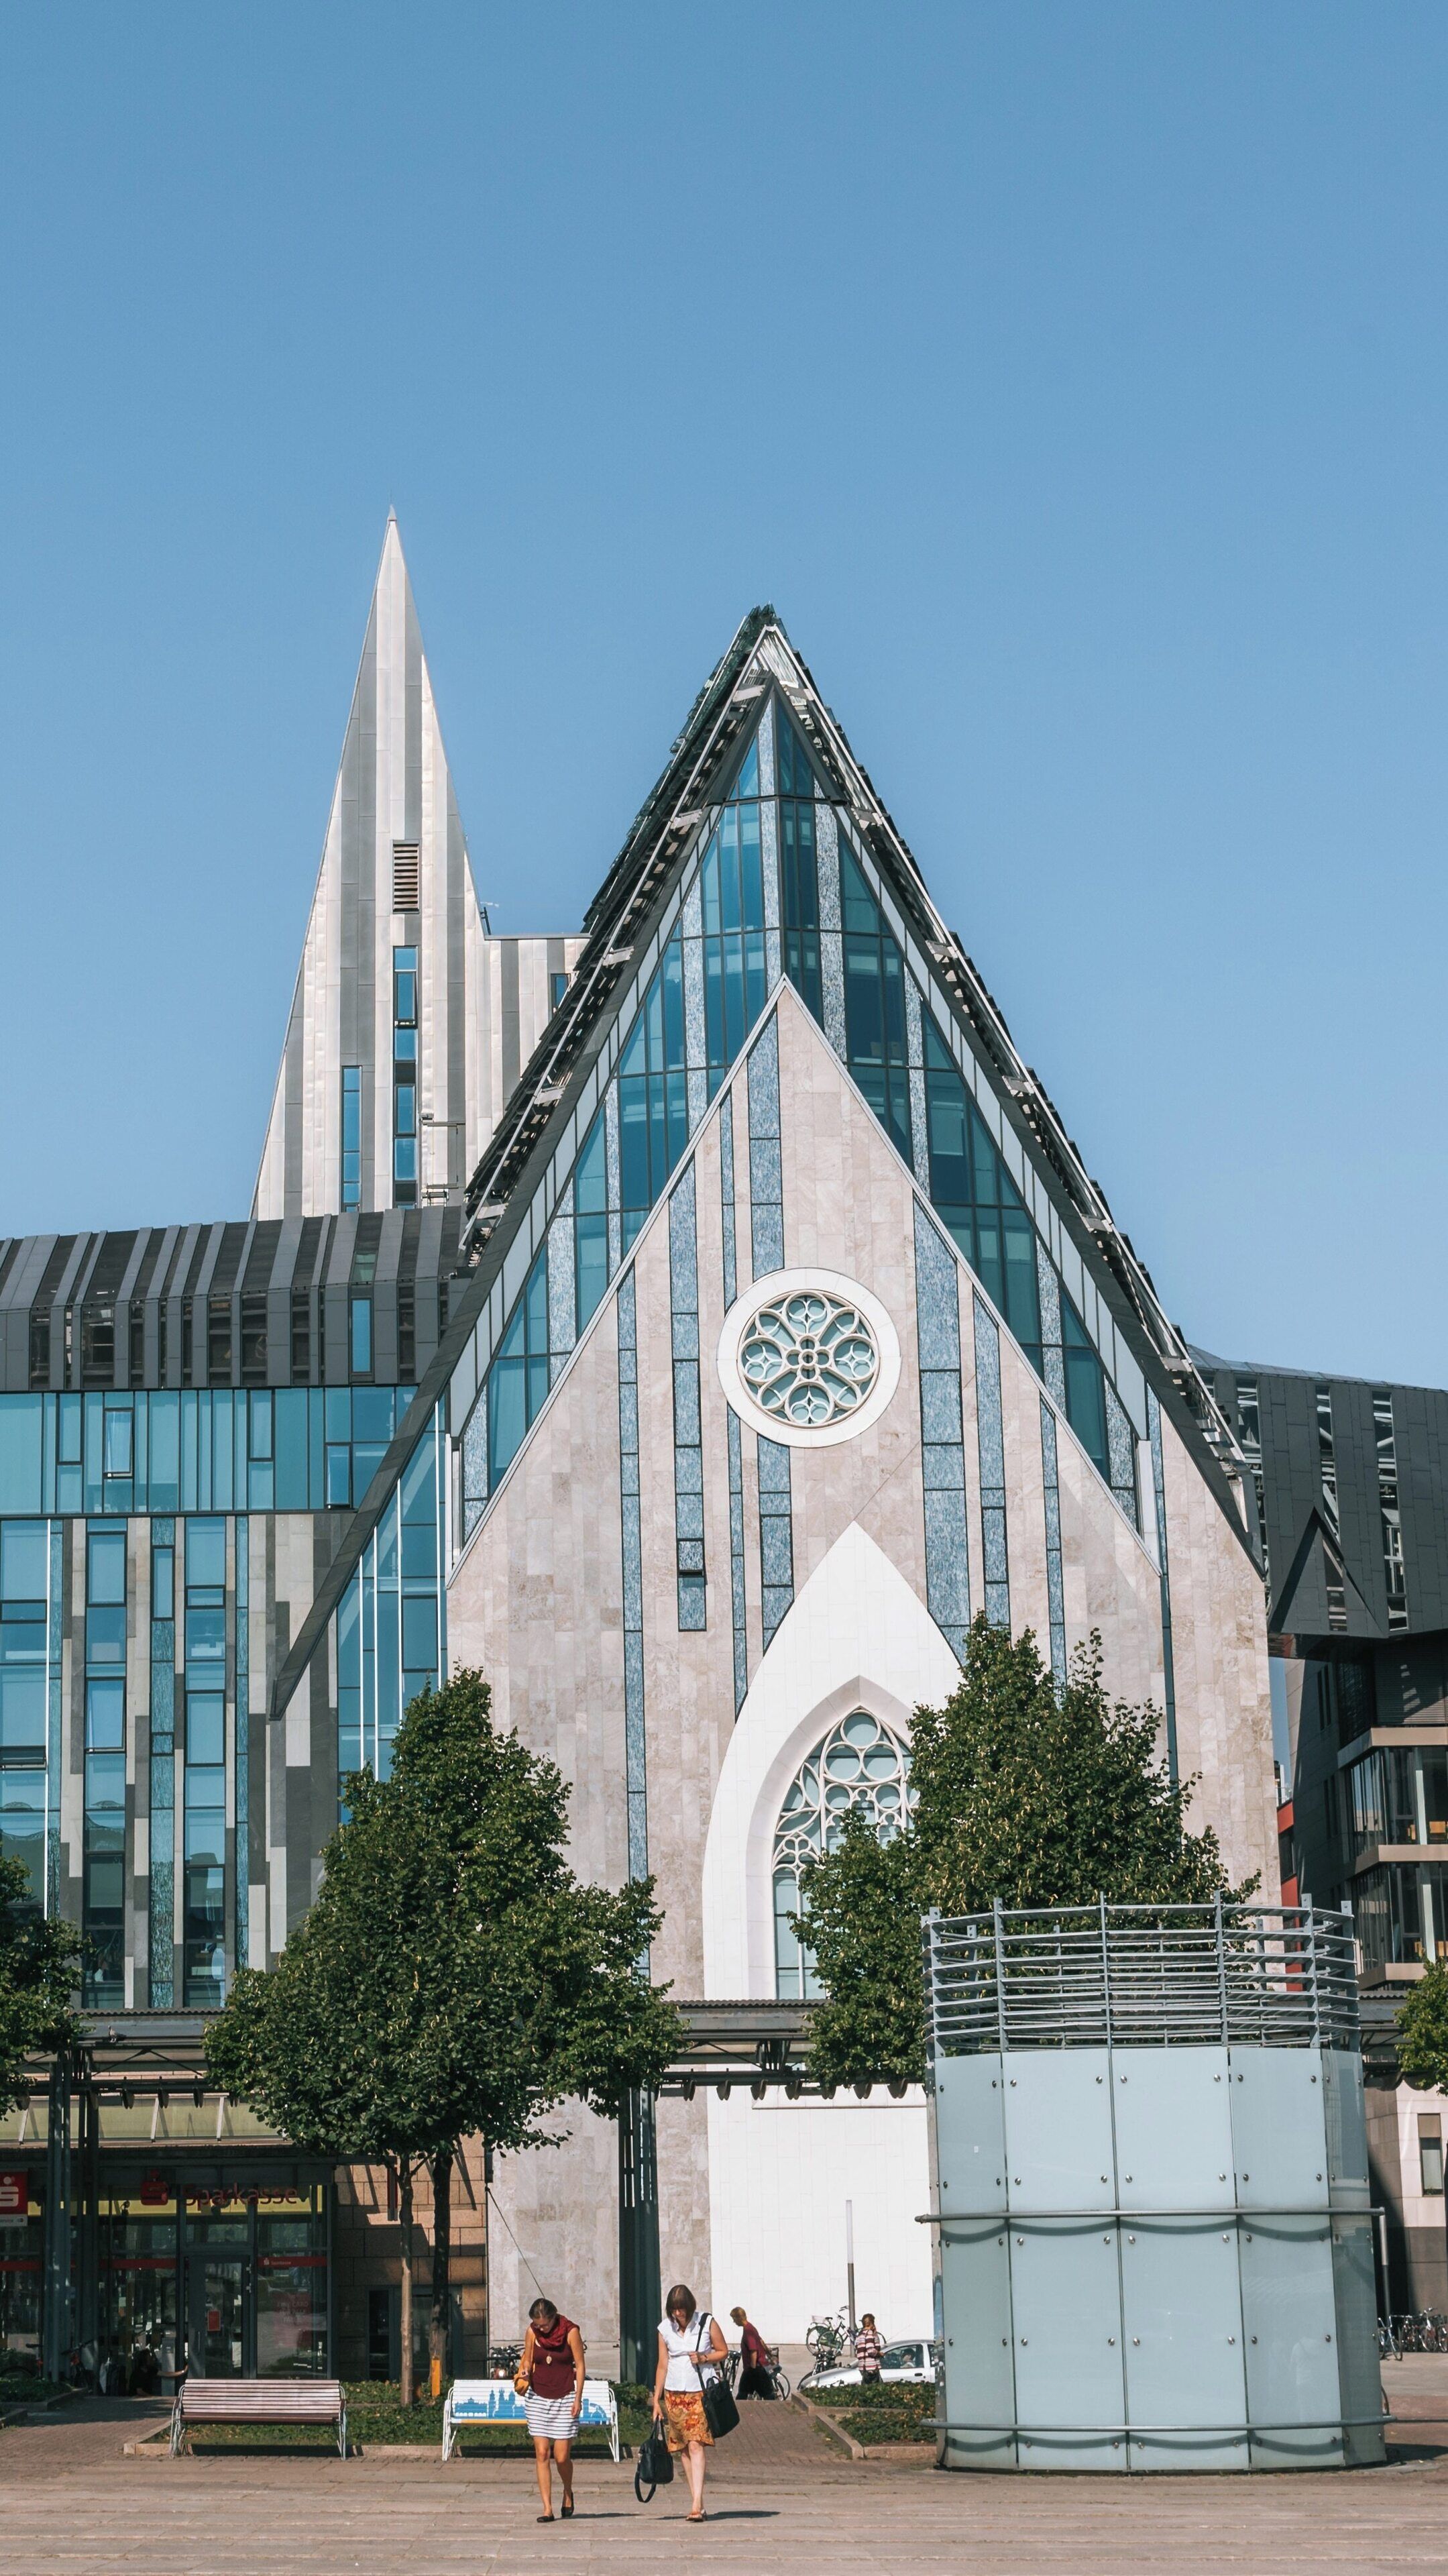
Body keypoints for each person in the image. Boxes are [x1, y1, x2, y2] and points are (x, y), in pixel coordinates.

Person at [653, 2282, 728, 2522]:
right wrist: (656, 2399)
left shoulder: (706, 2322)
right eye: (674, 2310)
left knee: (696, 2445)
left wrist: (704, 2358)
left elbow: (723, 2351)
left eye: (682, 2309)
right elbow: (662, 2364)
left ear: (690, 2306)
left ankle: (696, 2504)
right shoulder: (665, 2328)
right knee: (684, 2448)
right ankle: (698, 2501)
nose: (679, 2314)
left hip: (699, 2394)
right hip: (674, 2395)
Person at [518, 2294, 585, 2521]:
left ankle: (568, 2491)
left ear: (553, 2318)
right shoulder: (532, 2332)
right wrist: (525, 2371)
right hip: (537, 2397)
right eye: (537, 2325)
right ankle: (547, 2508)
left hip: (565, 2397)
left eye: (544, 2325)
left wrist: (578, 2398)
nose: (541, 2329)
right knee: (542, 2453)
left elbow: (580, 2365)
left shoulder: (570, 2332)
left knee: (562, 2456)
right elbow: (528, 2359)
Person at [730, 2306, 775, 2400]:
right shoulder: (750, 2327)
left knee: (744, 2394)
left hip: (755, 2368)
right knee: (763, 2393)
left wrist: (752, 2369)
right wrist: (768, 2351)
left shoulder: (748, 2331)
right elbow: (761, 2341)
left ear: (738, 2318)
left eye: (734, 2319)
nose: (734, 2322)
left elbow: (753, 2351)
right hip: (758, 2368)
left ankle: (739, 2408)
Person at [854, 2313, 885, 2383]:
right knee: (877, 2387)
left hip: (863, 2366)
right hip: (871, 2366)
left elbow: (857, 2349)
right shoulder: (869, 2333)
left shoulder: (860, 2334)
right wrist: (879, 2353)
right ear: (871, 2323)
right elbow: (870, 2350)